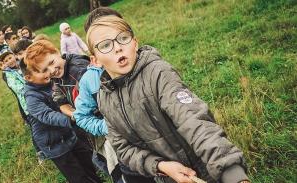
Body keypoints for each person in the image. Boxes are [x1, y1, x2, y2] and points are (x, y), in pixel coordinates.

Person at [86, 15, 251, 183]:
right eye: (105, 45)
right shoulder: (104, 99)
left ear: (135, 43)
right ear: (95, 60)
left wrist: (232, 174)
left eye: (123, 38)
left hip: (206, 172)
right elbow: (124, 149)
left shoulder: (158, 73)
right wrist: (160, 166)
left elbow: (193, 120)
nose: (118, 48)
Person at [23, 40, 102, 183]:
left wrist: (75, 116)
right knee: (77, 175)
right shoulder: (32, 97)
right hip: (54, 144)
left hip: (71, 133)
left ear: (57, 53)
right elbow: (48, 114)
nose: (50, 71)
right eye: (43, 70)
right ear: (28, 78)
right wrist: (72, 118)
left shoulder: (73, 71)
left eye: (51, 63)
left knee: (90, 163)